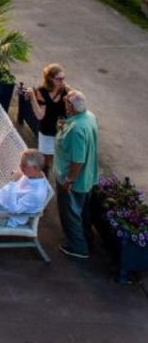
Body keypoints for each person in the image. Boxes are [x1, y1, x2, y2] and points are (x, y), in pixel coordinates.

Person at [54, 90, 99, 259]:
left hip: (74, 180)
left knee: (70, 213)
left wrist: (69, 180)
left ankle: (77, 247)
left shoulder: (76, 130)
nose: (65, 106)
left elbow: (78, 160)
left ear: (72, 107)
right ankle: (87, 241)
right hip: (88, 177)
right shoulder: (89, 117)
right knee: (83, 212)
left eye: (67, 103)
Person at [24, 63, 68, 171]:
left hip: (61, 131)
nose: (62, 82)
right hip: (47, 131)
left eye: (63, 78)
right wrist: (33, 97)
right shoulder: (42, 91)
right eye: (59, 79)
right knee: (45, 162)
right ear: (50, 79)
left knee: (58, 161)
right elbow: (40, 115)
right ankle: (44, 181)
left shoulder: (65, 90)